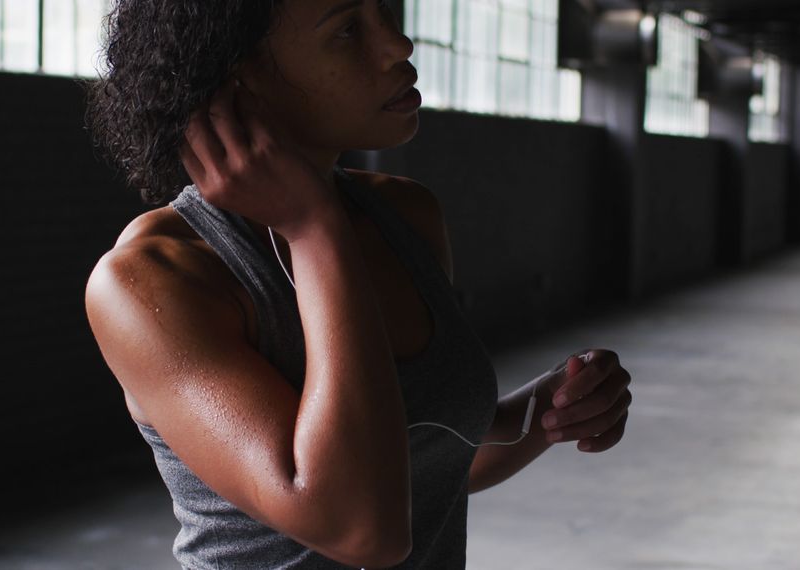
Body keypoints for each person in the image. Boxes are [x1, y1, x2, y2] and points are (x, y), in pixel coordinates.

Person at [83, 1, 633, 568]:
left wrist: (544, 416)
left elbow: (418, 470)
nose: (399, 46)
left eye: (387, 14)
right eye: (347, 31)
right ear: (238, 78)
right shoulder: (152, 280)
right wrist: (315, 230)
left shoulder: (406, 216)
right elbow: (359, 528)